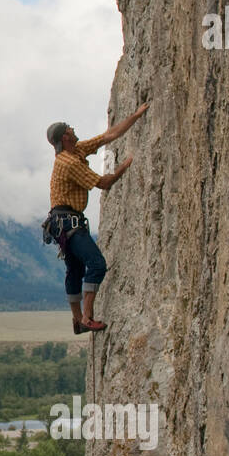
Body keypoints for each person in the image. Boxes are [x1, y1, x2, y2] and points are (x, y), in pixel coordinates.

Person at [44, 103, 148, 334]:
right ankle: (87, 318)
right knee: (96, 264)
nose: (73, 130)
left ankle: (77, 318)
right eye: (70, 129)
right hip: (69, 224)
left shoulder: (76, 150)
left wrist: (137, 115)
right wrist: (125, 165)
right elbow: (104, 183)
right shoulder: (69, 162)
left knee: (74, 271)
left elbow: (109, 136)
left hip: (62, 225)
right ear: (66, 136)